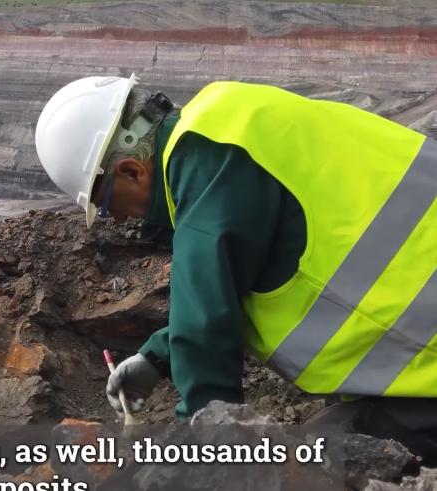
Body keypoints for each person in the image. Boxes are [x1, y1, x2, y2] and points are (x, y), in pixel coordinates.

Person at [35, 76, 437, 462]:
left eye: (106, 206)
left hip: (427, 355)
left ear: (131, 171)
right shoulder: (233, 116)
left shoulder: (212, 172)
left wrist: (202, 453)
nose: (119, 221)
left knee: (311, 461)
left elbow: (204, 326)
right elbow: (238, 280)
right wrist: (156, 356)